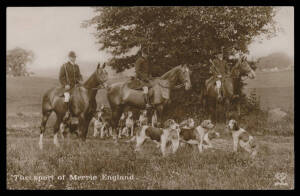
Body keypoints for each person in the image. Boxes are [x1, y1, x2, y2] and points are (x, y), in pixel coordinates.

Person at [59, 51, 83, 117]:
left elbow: (79, 75)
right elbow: (61, 77)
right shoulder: (65, 66)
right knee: (67, 97)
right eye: (72, 57)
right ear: (69, 58)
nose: (74, 58)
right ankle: (66, 112)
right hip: (68, 87)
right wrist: (65, 84)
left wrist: (80, 80)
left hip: (76, 86)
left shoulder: (76, 66)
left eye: (75, 57)